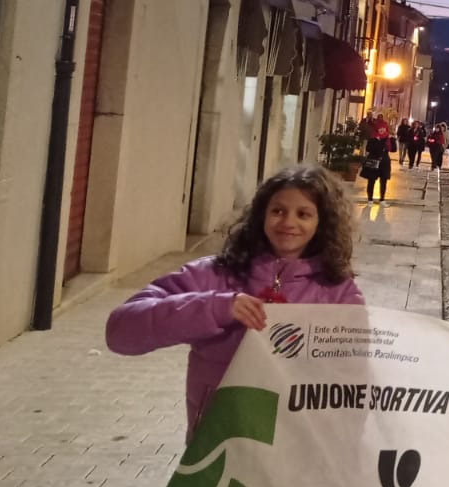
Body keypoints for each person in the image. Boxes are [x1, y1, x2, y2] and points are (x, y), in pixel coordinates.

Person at [106, 165, 363, 440]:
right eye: (278, 211)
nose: (288, 222)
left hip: (295, 448)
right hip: (219, 444)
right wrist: (214, 308)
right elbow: (121, 331)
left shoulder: (338, 292)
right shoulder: (214, 274)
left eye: (303, 214)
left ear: (322, 223)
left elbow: (354, 381)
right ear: (261, 214)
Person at [360, 132, 392, 202]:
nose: (382, 130)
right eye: (380, 128)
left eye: (383, 129)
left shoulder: (387, 138)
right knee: (371, 181)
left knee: (383, 181)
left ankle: (382, 199)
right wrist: (378, 141)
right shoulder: (373, 138)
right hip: (373, 161)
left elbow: (392, 149)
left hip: (384, 162)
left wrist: (391, 140)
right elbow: (368, 148)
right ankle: (370, 199)